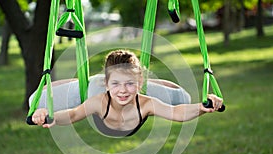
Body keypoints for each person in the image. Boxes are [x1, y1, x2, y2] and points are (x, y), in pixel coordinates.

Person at [31, 49, 223, 136]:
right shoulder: (98, 100)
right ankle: (95, 80)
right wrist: (51, 117)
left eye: (130, 84)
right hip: (95, 87)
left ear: (140, 84)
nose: (122, 91)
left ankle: (128, 79)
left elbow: (178, 112)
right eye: (115, 84)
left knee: (182, 97)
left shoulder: (147, 102)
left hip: (132, 92)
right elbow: (73, 114)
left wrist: (202, 107)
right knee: (37, 99)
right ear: (107, 85)